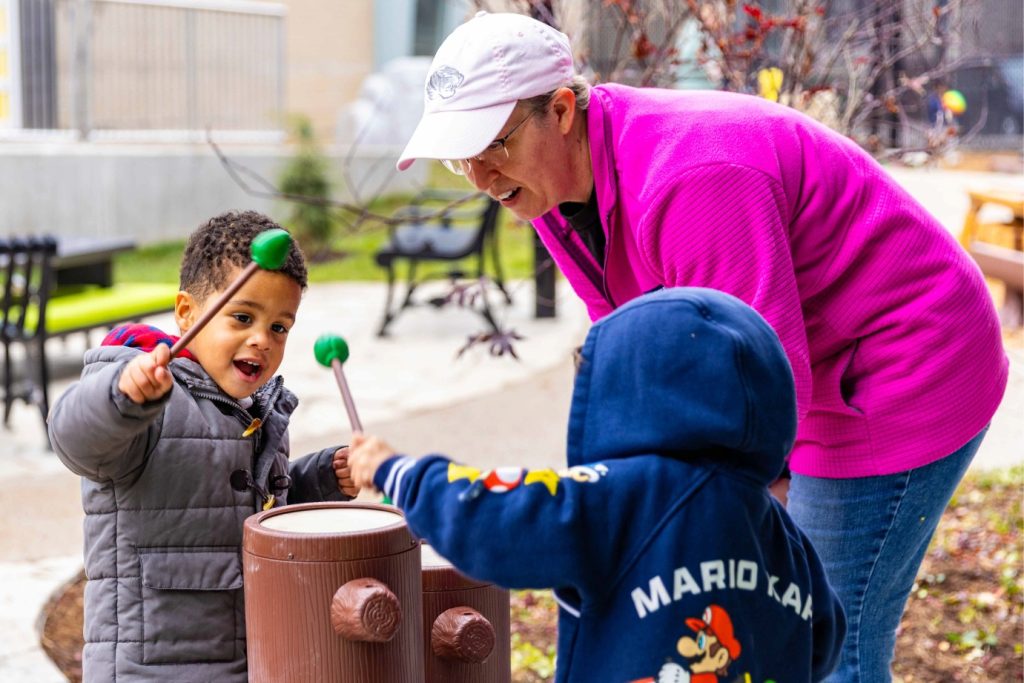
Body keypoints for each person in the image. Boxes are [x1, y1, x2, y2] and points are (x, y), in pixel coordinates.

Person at [394, 11, 1009, 682]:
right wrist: (625, 507)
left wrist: (708, 516)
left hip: (905, 356)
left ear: (562, 109)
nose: (482, 176)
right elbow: (635, 362)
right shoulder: (553, 194)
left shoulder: (694, 178)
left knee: (825, 637)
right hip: (811, 354)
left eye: (493, 145)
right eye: (461, 158)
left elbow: (758, 384)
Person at [348, 286, 846, 683]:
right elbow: (823, 639)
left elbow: (496, 516)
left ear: (631, 394)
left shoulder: (619, 496)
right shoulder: (779, 529)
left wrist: (400, 471)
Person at [48, 211, 359, 682]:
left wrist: (325, 476)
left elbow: (260, 510)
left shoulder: (257, 412)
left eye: (280, 327)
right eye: (242, 317)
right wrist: (123, 397)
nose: (261, 339)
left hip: (246, 660)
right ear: (187, 313)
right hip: (149, 670)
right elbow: (74, 437)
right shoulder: (150, 396)